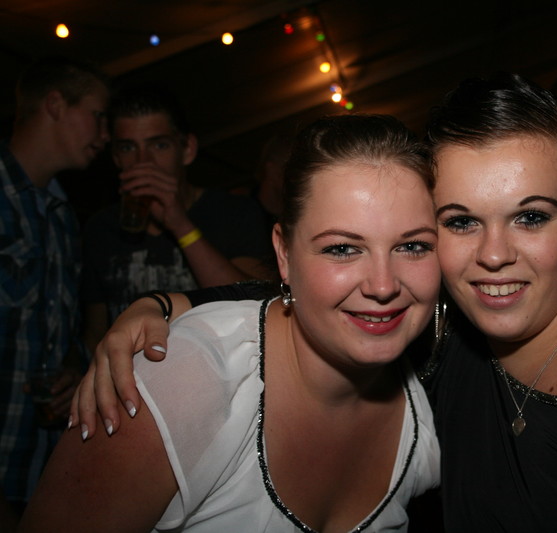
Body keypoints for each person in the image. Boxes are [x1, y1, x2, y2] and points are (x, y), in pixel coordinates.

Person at [69, 74, 557, 530]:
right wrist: (167, 303)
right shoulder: (442, 344)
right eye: (459, 222)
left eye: (531, 216)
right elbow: (323, 292)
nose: (493, 254)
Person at [19, 114, 441, 532]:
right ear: (284, 254)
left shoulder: (435, 390)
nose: (383, 285)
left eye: (413, 246)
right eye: (342, 249)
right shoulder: (181, 381)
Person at [81, 82, 274, 356]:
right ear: (115, 157)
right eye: (128, 148)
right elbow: (95, 332)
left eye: (159, 145)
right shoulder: (100, 228)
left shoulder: (234, 211)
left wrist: (180, 225)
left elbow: (255, 305)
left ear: (187, 150)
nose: (143, 162)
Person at [0, 55, 109, 528]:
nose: (104, 135)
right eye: (98, 116)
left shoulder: (64, 218)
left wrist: (73, 370)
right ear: (55, 104)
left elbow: (57, 333)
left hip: (42, 472)